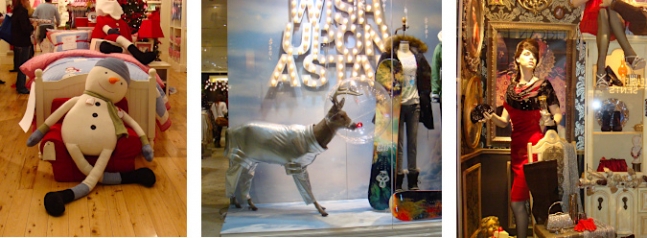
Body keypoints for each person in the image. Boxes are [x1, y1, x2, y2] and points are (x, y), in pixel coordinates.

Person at [482, 39, 562, 238]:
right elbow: (503, 122)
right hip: (517, 148)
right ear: (517, 59)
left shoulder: (543, 86)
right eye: (527, 54)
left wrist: (550, 120)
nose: (532, 58)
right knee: (519, 202)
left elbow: (558, 114)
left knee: (523, 202)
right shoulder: (511, 90)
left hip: (536, 148)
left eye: (534, 55)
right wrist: (490, 116)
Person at [378, 35, 434, 192]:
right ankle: (398, 181)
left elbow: (426, 76)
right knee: (398, 144)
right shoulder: (389, 56)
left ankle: (413, 182)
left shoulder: (417, 56)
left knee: (412, 143)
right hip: (397, 105)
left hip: (414, 103)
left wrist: (425, 94)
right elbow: (380, 78)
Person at [572, 0, 647, 88]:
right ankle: (629, 54)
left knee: (612, 8)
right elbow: (574, 3)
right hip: (594, 19)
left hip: (616, 19)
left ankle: (600, 71)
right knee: (603, 11)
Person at [11, 0, 36, 94]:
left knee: (20, 65)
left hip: (17, 42)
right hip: (23, 42)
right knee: (23, 66)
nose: (29, 2)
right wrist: (33, 26)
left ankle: (19, 85)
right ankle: (21, 87)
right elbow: (25, 29)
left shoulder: (16, 11)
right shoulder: (23, 12)